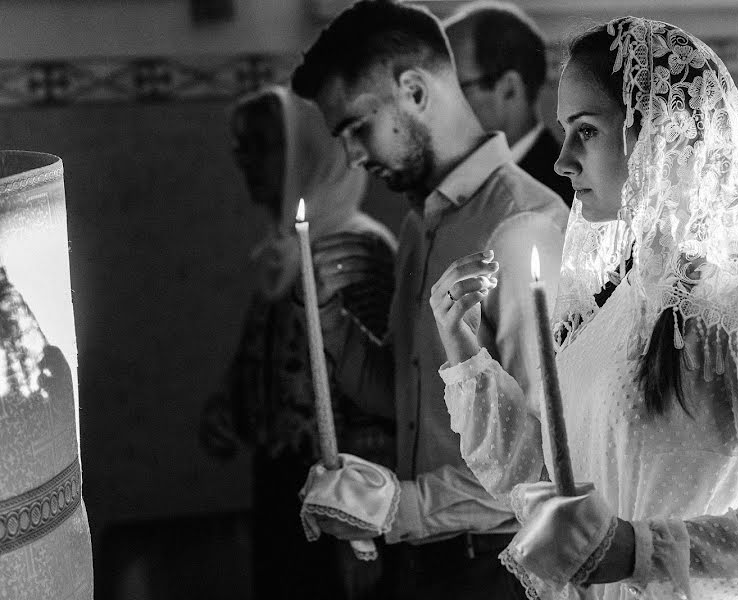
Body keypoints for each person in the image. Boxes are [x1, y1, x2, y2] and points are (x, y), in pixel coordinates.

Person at [429, 18, 738, 600]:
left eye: (584, 131)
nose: (562, 161)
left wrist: (644, 550)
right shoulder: (612, 296)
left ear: (658, 134)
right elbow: (552, 483)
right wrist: (465, 353)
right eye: (565, 131)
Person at [289, 2, 569, 599]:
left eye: (356, 128)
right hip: (427, 564)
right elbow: (407, 399)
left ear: (413, 91)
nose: (352, 157)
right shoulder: (422, 225)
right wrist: (329, 321)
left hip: (503, 566)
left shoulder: (522, 228)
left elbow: (543, 459)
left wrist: (400, 506)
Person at [199, 85, 396, 600]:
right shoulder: (282, 249)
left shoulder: (358, 250)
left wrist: (364, 533)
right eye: (241, 146)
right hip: (279, 483)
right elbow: (268, 356)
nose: (244, 160)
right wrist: (231, 408)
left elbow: (378, 395)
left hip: (339, 496)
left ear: (307, 153)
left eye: (261, 145)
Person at [444, 1, 572, 205]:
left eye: (453, 87)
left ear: (509, 88)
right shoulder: (452, 185)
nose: (440, 104)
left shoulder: (565, 194)